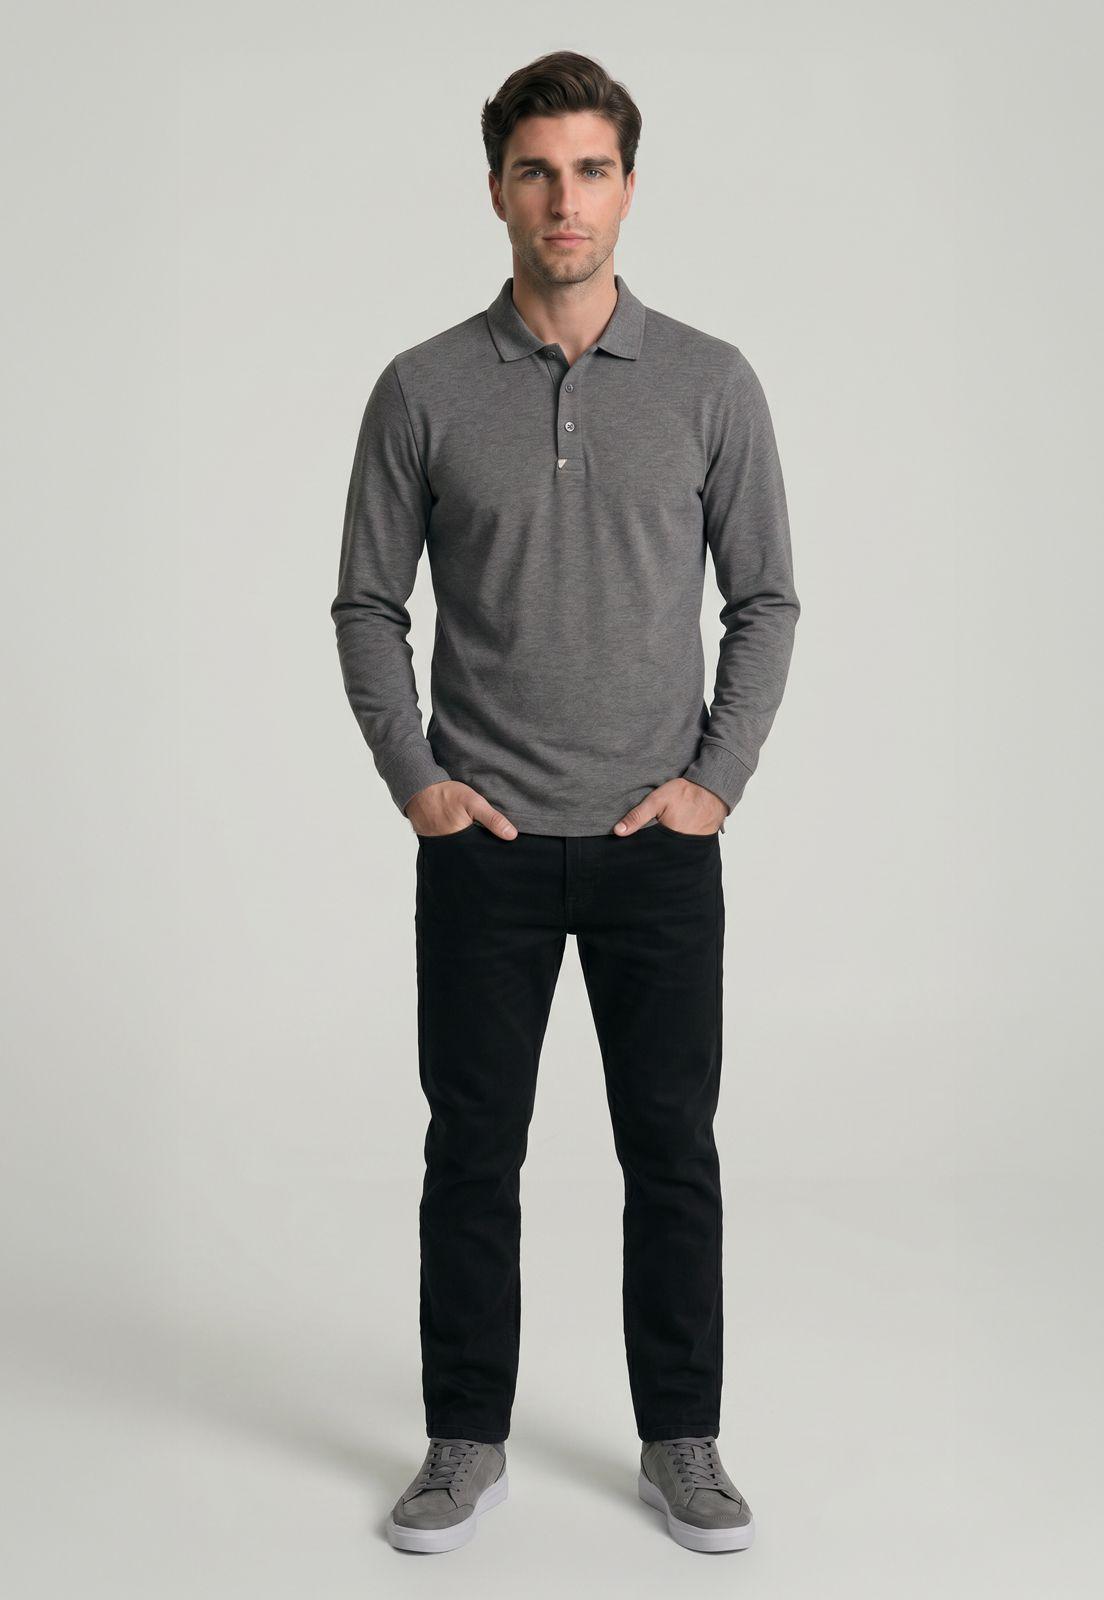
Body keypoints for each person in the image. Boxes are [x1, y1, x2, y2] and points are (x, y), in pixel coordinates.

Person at [330, 49, 800, 1555]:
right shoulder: (422, 387)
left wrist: (715, 784)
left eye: (591, 169)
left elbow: (767, 600)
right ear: (496, 191)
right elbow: (366, 604)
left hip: (656, 846)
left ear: (630, 188)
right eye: (536, 170)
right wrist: (418, 783)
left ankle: (684, 1440)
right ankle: (464, 1438)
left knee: (674, 1152)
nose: (565, 199)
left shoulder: (712, 383)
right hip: (487, 848)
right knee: (472, 1155)